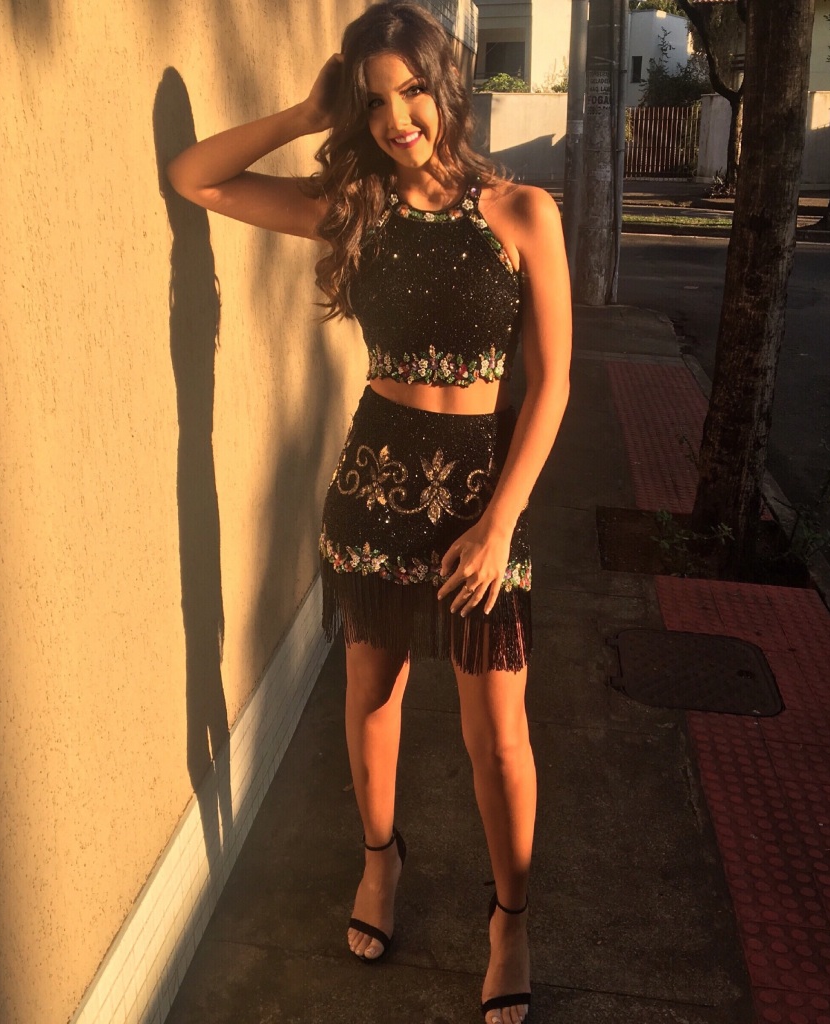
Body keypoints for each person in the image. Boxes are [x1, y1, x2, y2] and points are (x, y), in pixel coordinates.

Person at [167, 3, 570, 1021]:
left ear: (447, 88)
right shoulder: (353, 210)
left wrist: (500, 523)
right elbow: (196, 178)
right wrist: (305, 113)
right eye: (375, 99)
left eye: (413, 90)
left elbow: (552, 385)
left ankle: (511, 918)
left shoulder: (524, 213)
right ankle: (380, 860)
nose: (397, 118)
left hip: (482, 499)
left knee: (499, 737)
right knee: (372, 693)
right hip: (375, 489)